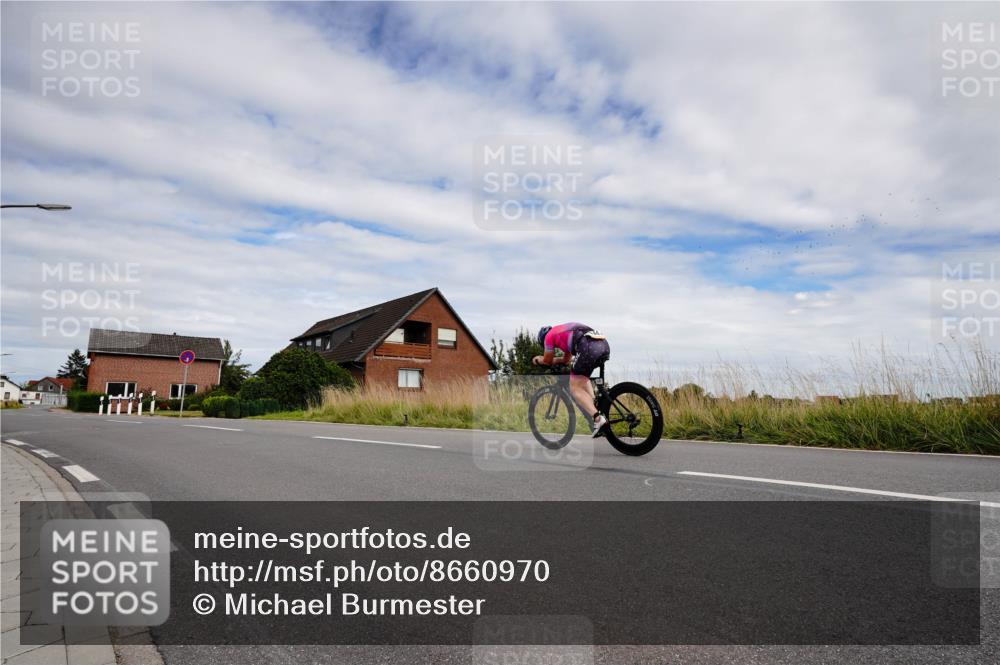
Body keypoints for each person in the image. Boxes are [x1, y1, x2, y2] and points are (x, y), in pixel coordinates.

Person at [532, 323, 611, 437]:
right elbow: (565, 360)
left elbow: (547, 361)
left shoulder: (548, 337)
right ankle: (593, 403)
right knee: (582, 377)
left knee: (574, 388)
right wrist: (556, 360)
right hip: (603, 345)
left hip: (587, 347)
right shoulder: (561, 332)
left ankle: (598, 419)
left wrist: (538, 360)